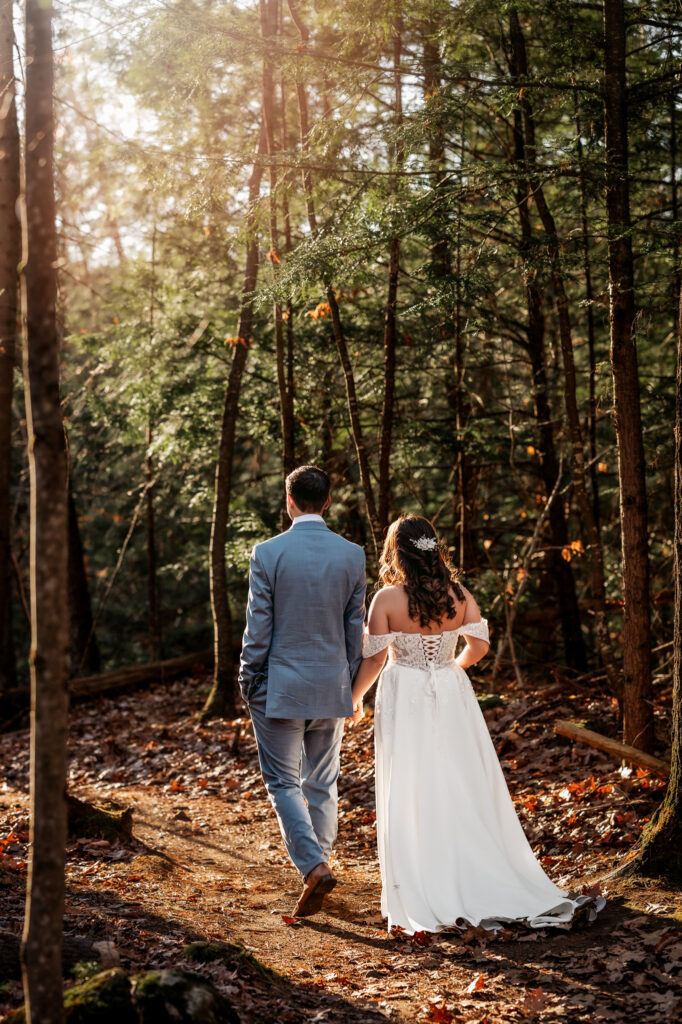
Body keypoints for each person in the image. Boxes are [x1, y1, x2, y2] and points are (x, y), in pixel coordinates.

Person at [350, 514, 598, 934]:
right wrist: (449, 668)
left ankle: (424, 878)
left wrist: (353, 698)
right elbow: (480, 645)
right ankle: (473, 865)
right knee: (459, 778)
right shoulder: (458, 594)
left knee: (411, 781)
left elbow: (375, 659)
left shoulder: (387, 599)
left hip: (404, 693)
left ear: (399, 552)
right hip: (451, 693)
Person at [238, 466, 366, 917]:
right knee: (322, 779)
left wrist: (247, 677)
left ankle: (314, 868)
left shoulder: (268, 553)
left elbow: (259, 627)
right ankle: (321, 862)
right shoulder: (353, 555)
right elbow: (356, 632)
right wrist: (350, 686)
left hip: (280, 687)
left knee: (282, 780)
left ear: (289, 501)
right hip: (333, 685)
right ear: (327, 501)